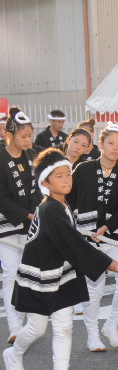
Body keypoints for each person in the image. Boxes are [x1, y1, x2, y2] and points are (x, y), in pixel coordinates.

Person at [5, 148, 118, 370]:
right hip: (40, 276)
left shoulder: (62, 204)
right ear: (45, 183)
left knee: (64, 327)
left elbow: (70, 240)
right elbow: (71, 241)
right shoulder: (50, 209)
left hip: (61, 274)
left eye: (68, 174)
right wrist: (105, 262)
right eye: (59, 176)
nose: (67, 180)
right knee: (37, 328)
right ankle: (13, 355)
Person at [67, 122, 118, 351]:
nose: (115, 148)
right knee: (94, 288)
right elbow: (69, 200)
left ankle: (111, 325)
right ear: (101, 144)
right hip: (86, 236)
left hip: (113, 237)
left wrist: (106, 227)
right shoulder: (83, 169)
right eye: (111, 143)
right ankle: (92, 336)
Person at [0, 107, 41, 343]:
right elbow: (2, 196)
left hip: (31, 222)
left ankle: (23, 321)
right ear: (10, 135)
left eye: (30, 135)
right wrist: (26, 214)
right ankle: (14, 326)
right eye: (24, 136)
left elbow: (38, 189)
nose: (28, 140)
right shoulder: (0, 157)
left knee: (26, 273)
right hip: (7, 224)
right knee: (10, 273)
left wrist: (38, 212)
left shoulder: (32, 154)